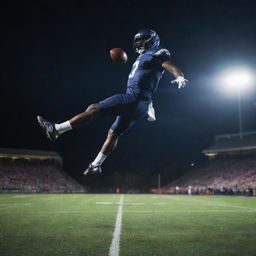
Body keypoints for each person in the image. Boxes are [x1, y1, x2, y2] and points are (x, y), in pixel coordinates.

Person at [37, 28, 188, 176]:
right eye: (138, 41)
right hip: (139, 104)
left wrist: (179, 75)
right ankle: (96, 164)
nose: (138, 44)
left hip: (133, 98)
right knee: (113, 133)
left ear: (151, 40)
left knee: (95, 109)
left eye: (142, 40)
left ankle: (57, 129)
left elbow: (168, 65)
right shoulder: (142, 57)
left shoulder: (158, 52)